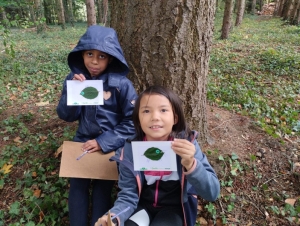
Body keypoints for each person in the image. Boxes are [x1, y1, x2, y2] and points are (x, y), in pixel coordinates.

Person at [95, 85, 220, 226]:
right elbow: (128, 197)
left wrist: (191, 164)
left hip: (174, 210)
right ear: (138, 119)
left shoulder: (187, 146)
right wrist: (113, 217)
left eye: (163, 110)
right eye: (146, 111)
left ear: (175, 118)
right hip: (142, 207)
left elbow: (212, 193)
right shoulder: (130, 149)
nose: (155, 117)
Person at [56, 25, 138, 226]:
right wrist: (74, 92)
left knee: (103, 188)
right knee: (77, 186)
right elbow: (65, 116)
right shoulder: (74, 80)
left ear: (111, 58)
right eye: (90, 54)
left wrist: (103, 142)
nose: (94, 61)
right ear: (81, 54)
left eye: (102, 56)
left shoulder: (121, 85)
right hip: (82, 143)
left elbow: (133, 122)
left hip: (109, 146)